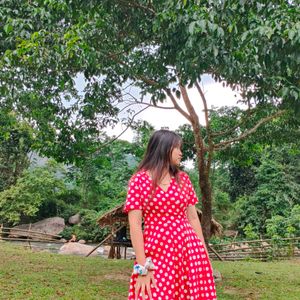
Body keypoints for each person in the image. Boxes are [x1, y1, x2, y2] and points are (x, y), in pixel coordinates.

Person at [123, 129, 217, 300]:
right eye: (177, 148)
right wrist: (142, 267)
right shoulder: (138, 181)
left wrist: (204, 254)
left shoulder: (183, 179)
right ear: (164, 148)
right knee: (151, 293)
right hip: (156, 251)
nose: (181, 153)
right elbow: (135, 226)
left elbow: (193, 218)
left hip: (189, 251)